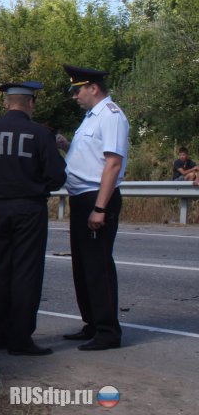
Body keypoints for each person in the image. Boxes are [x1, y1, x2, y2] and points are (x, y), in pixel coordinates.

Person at [0, 81, 67, 356]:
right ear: (31, 103)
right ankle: (20, 339)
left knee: (0, 269)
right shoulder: (39, 134)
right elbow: (58, 176)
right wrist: (36, 185)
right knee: (26, 271)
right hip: (29, 208)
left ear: (6, 103)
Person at [56, 64, 129, 351]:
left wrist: (100, 208)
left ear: (93, 88)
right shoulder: (91, 117)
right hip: (82, 196)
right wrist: (67, 146)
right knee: (82, 266)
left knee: (98, 266)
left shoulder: (111, 116)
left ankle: (108, 331)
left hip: (97, 198)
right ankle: (92, 323)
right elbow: (92, 156)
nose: (74, 95)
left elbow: (113, 163)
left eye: (77, 90)